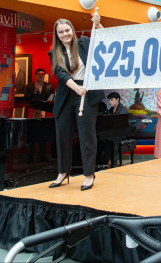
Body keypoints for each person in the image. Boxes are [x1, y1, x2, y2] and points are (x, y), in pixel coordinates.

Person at [48, 12, 104, 191]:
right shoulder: (54, 52)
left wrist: (99, 24)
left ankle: (88, 174)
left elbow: (105, 40)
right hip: (67, 91)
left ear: (72, 30)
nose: (65, 34)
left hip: (87, 91)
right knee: (61, 132)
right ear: (56, 35)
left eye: (67, 30)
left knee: (86, 133)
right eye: (61, 32)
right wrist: (75, 88)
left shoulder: (84, 42)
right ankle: (63, 172)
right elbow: (60, 74)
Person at [24, 68, 55, 163]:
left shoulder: (49, 85)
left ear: (44, 75)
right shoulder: (29, 86)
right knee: (32, 136)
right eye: (39, 74)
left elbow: (51, 99)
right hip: (32, 113)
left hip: (45, 114)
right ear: (36, 75)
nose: (41, 75)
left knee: (43, 135)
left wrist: (50, 92)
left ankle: (43, 156)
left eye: (42, 74)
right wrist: (35, 91)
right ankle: (30, 158)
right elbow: (26, 98)